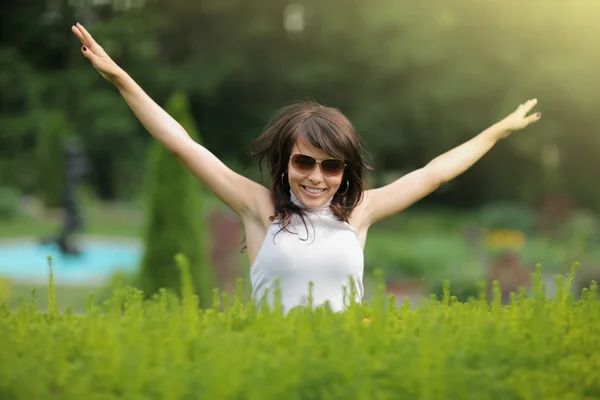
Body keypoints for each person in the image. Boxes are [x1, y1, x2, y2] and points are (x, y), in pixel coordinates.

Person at [71, 23, 542, 314]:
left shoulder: (359, 212)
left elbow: (436, 171)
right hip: (275, 368)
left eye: (331, 166)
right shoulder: (257, 208)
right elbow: (183, 146)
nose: (316, 176)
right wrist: (122, 79)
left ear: (345, 170)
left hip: (342, 368)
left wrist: (497, 132)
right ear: (286, 163)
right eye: (304, 161)